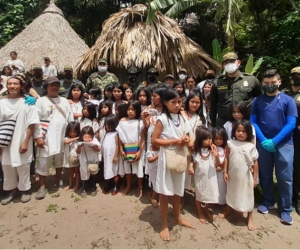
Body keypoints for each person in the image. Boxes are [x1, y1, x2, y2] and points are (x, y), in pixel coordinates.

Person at [250, 69, 297, 225]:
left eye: (273, 82)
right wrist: (264, 140)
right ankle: (268, 200)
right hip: (263, 144)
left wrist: (275, 141)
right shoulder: (257, 101)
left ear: (279, 82)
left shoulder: (288, 100)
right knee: (265, 174)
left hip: (284, 144)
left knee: (285, 177)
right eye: (266, 83)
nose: (269, 85)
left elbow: (291, 124)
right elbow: (253, 121)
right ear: (262, 84)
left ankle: (285, 209)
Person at [151, 88, 195, 241]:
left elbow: (188, 135)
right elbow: (154, 140)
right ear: (165, 103)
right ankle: (164, 223)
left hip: (180, 157)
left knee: (178, 190)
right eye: (173, 102)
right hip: (167, 158)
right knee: (165, 191)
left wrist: (186, 140)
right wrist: (173, 142)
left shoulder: (182, 118)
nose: (177, 105)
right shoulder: (161, 119)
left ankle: (177, 218)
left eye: (179, 102)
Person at [0, 76, 40, 205]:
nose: (12, 86)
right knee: (7, 166)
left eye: (15, 84)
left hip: (21, 139)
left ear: (21, 86)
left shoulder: (27, 102)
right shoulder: (1, 103)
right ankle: (12, 190)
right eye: (10, 83)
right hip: (4, 141)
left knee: (23, 166)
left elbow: (32, 123)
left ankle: (25, 190)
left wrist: (26, 140)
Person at [35, 76, 74, 200]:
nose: (54, 87)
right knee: (44, 161)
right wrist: (38, 137)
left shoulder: (64, 101)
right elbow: (35, 120)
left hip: (62, 137)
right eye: (51, 85)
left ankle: (58, 179)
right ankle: (42, 186)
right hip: (46, 138)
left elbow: (70, 118)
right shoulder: (41, 101)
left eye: (56, 85)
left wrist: (70, 134)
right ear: (46, 87)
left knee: (60, 159)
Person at [219, 120, 259, 231]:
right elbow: (226, 157)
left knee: (248, 195)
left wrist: (255, 178)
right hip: (232, 175)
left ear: (249, 133)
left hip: (246, 176)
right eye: (238, 131)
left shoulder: (251, 146)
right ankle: (228, 210)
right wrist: (225, 171)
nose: (241, 133)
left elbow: (255, 162)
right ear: (234, 131)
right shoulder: (230, 143)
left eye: (244, 131)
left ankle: (250, 217)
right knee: (231, 192)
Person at [210, 52, 262, 127]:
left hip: (245, 123)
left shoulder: (251, 80)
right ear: (223, 66)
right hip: (223, 122)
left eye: (232, 61)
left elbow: (260, 101)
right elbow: (213, 106)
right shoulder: (217, 82)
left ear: (238, 62)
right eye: (226, 62)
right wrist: (213, 126)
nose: (229, 64)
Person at [189, 127, 219, 223]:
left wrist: (217, 156)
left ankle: (206, 209)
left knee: (210, 193)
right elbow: (193, 161)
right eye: (206, 139)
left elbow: (217, 164)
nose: (209, 141)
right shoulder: (196, 151)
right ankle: (199, 211)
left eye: (210, 138)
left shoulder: (213, 150)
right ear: (200, 140)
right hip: (200, 177)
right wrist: (190, 167)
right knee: (199, 193)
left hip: (211, 177)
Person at [117, 100, 145, 197]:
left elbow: (143, 138)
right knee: (127, 169)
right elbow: (119, 137)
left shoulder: (140, 122)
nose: (131, 111)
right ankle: (128, 186)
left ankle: (140, 187)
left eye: (133, 109)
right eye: (129, 109)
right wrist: (121, 150)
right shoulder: (122, 121)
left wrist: (140, 152)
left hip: (137, 148)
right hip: (126, 148)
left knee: (139, 169)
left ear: (137, 110)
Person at [282, 66, 300, 215]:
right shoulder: (284, 93)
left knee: (298, 166)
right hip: (286, 134)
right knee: (287, 165)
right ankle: (286, 195)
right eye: (294, 75)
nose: (296, 78)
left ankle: (297, 198)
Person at [181, 93, 205, 195]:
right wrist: (187, 142)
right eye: (192, 102)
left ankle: (187, 189)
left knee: (190, 170)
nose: (194, 104)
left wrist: (196, 144)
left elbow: (202, 133)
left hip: (194, 148)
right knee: (181, 171)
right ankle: (180, 197)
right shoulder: (181, 114)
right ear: (188, 102)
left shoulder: (200, 118)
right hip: (181, 145)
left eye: (197, 102)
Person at [76, 126, 101, 197]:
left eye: (89, 136)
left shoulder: (95, 140)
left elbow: (99, 149)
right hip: (84, 160)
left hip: (93, 159)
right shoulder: (80, 142)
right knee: (84, 173)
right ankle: (84, 188)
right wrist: (80, 147)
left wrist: (94, 147)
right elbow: (78, 152)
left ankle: (93, 187)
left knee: (93, 173)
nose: (87, 138)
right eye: (85, 137)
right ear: (82, 136)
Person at [102, 114, 120, 195]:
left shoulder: (116, 134)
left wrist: (116, 155)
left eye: (108, 125)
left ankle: (116, 186)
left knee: (114, 170)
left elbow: (117, 145)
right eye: (106, 124)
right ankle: (107, 184)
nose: (106, 126)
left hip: (113, 156)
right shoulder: (106, 134)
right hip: (106, 156)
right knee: (107, 169)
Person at [212, 127, 228, 205]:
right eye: (216, 138)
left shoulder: (225, 149)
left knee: (222, 188)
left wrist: (221, 166)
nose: (218, 141)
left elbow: (227, 159)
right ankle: (212, 202)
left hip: (222, 172)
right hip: (213, 172)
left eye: (220, 139)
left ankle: (221, 202)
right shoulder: (211, 148)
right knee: (213, 187)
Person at [63, 122, 80, 192]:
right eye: (71, 132)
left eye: (74, 132)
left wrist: (77, 139)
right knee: (70, 172)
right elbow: (66, 142)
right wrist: (75, 138)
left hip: (76, 159)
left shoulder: (79, 140)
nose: (72, 134)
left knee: (77, 171)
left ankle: (77, 185)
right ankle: (70, 184)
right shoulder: (67, 138)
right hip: (68, 158)